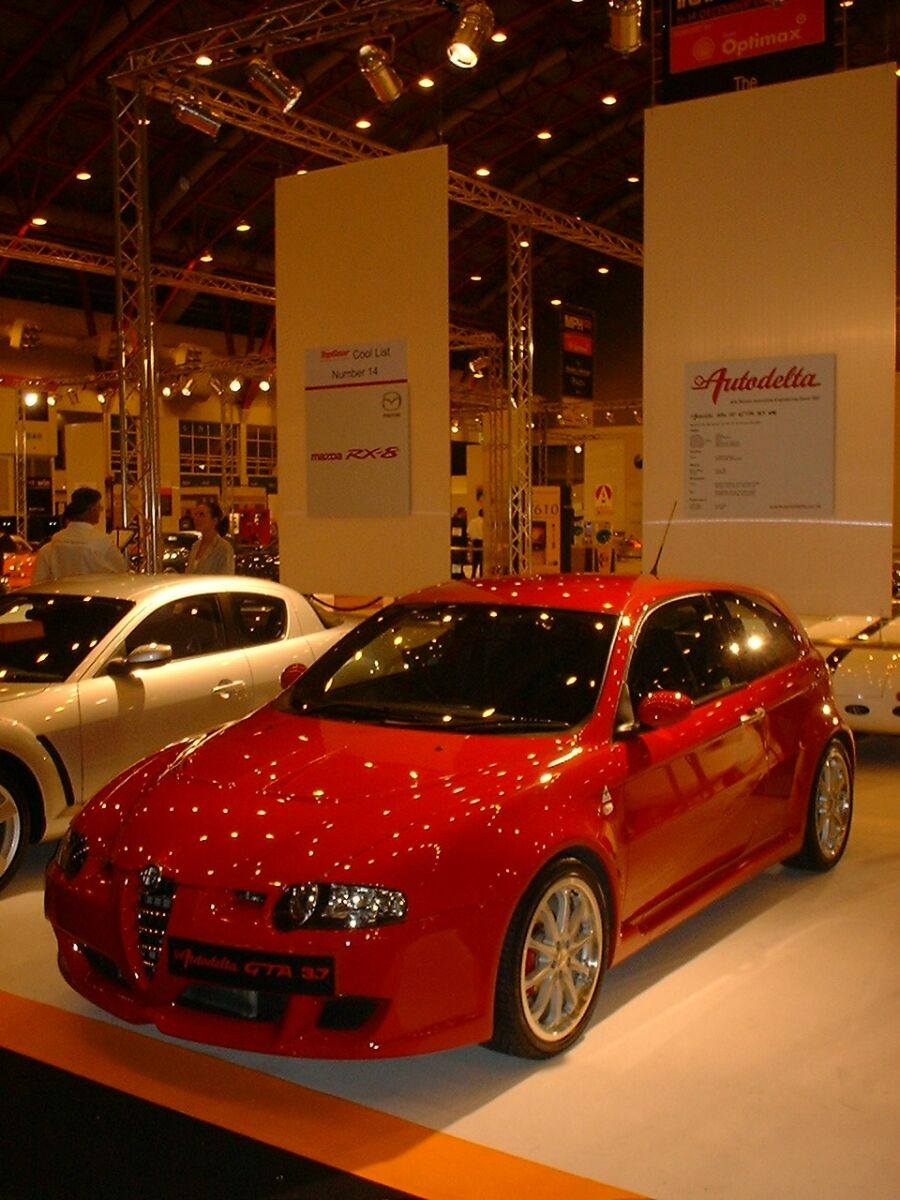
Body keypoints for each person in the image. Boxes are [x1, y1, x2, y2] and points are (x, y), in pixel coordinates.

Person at [31, 488, 126, 583]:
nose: (100, 510)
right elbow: (122, 569)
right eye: (98, 507)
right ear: (91, 510)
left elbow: (38, 581)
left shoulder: (50, 547)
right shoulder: (102, 542)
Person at [185, 499, 234, 575]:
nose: (196, 518)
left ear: (214, 520)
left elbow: (226, 578)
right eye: (195, 514)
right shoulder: (195, 546)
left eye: (202, 515)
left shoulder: (223, 547)